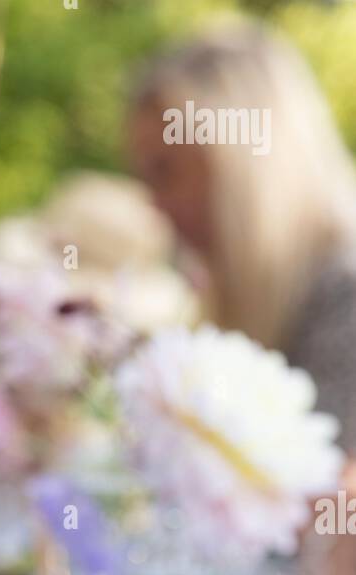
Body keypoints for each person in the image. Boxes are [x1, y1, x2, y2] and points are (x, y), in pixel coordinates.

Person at [128, 22, 356, 456]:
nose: (154, 206)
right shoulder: (277, 298)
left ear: (241, 168)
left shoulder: (346, 300)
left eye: (166, 172)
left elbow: (318, 509)